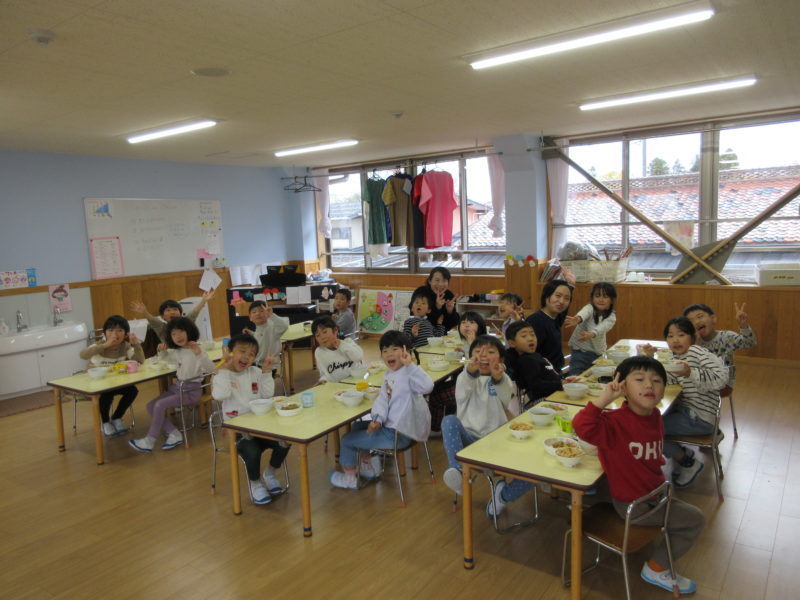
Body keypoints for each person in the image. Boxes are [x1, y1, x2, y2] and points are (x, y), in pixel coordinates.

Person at [572, 357, 705, 596]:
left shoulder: (654, 415)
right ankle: (656, 568)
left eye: (657, 381)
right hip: (635, 505)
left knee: (687, 514)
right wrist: (604, 399)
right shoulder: (614, 422)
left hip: (652, 494)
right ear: (622, 387)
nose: (649, 385)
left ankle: (658, 563)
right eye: (640, 379)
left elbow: (651, 453)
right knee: (695, 519)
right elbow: (581, 426)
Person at [330, 330, 434, 489]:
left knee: (346, 440)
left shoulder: (410, 373)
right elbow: (383, 400)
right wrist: (377, 420)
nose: (389, 354)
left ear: (405, 351)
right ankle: (368, 468)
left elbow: (428, 386)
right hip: (394, 429)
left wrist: (410, 365)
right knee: (357, 427)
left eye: (394, 349)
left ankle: (350, 478)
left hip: (400, 433)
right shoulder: (388, 375)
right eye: (385, 351)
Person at [641, 317, 728, 488]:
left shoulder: (695, 352)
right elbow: (668, 380)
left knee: (647, 430)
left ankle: (687, 462)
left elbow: (721, 378)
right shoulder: (677, 357)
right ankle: (681, 452)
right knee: (648, 423)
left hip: (700, 418)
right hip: (689, 413)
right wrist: (651, 358)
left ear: (692, 337)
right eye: (670, 336)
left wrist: (690, 373)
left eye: (681, 335)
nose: (675, 340)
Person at [212, 333, 288, 505]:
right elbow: (220, 395)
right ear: (230, 352)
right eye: (242, 351)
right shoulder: (222, 374)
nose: (247, 357)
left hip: (260, 426)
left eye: (252, 354)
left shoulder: (255, 372)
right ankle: (255, 482)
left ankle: (270, 473)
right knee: (252, 450)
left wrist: (266, 372)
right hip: (237, 432)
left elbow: (267, 395)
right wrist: (224, 368)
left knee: (285, 440)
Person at [129, 317, 215, 452]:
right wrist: (162, 350)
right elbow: (167, 359)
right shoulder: (177, 351)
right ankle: (174, 433)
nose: (178, 336)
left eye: (181, 331)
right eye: (173, 334)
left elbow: (212, 369)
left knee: (159, 405)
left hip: (191, 391)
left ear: (189, 331)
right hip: (178, 388)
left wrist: (199, 354)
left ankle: (149, 441)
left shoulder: (197, 350)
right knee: (150, 406)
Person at [442, 335, 513, 494]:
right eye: (478, 351)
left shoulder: (503, 379)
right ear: (470, 357)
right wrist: (470, 372)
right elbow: (461, 394)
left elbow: (506, 397)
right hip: (469, 439)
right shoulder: (464, 377)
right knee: (449, 420)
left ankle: (461, 473)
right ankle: (458, 471)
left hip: (495, 441)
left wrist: (498, 378)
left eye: (490, 352)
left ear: (501, 359)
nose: (483, 355)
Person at [79, 315, 144, 437]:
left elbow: (140, 360)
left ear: (126, 334)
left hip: (115, 383)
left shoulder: (125, 346)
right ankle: (105, 422)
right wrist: (105, 345)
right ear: (105, 333)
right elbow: (83, 355)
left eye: (120, 330)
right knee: (106, 394)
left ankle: (117, 417)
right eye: (110, 330)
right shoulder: (99, 345)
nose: (115, 334)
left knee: (132, 391)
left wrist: (136, 345)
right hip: (96, 384)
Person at [683, 302, 756, 395]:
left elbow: (750, 342)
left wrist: (743, 325)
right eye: (690, 321)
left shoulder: (726, 337)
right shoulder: (692, 342)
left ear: (713, 319)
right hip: (699, 380)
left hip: (724, 384)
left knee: (688, 391)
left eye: (700, 317)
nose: (696, 322)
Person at [503, 320, 562, 407]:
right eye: (524, 336)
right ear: (512, 343)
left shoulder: (535, 355)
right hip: (539, 402)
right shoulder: (526, 360)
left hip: (553, 394)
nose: (530, 338)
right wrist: (562, 384)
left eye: (533, 334)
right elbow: (537, 387)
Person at [564, 282, 618, 376]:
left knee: (594, 376)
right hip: (579, 350)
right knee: (575, 375)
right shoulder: (590, 308)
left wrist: (592, 334)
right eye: (597, 296)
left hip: (597, 352)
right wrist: (578, 318)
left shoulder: (611, 317)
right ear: (592, 298)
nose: (601, 299)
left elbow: (601, 328)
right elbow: (584, 313)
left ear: (612, 300)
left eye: (605, 296)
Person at [129, 288, 216, 344]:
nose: (172, 312)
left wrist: (203, 301)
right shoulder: (162, 328)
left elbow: (194, 313)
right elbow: (152, 320)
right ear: (162, 317)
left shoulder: (186, 322)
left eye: (175, 309)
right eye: (168, 310)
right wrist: (144, 312)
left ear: (180, 314)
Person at [525, 279, 573, 375]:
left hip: (555, 373)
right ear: (547, 296)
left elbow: (564, 312)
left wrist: (572, 285)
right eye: (558, 296)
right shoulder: (536, 320)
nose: (562, 301)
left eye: (567, 298)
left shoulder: (555, 317)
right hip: (542, 376)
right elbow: (528, 354)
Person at [312, 315, 364, 382]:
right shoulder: (319, 352)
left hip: (356, 382)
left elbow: (358, 357)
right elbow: (325, 373)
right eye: (318, 335)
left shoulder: (348, 342)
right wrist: (323, 380)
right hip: (337, 386)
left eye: (324, 332)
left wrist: (342, 345)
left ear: (335, 330)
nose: (322, 337)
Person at [243, 300, 289, 374]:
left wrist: (272, 315)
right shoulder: (259, 327)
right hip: (257, 363)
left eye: (261, 311)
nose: (258, 313)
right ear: (250, 318)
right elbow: (261, 338)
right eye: (254, 312)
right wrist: (252, 334)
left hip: (268, 365)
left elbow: (284, 326)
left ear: (267, 314)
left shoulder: (272, 326)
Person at [424, 266, 459, 331]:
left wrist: (450, 311)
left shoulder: (449, 295)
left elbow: (453, 324)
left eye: (444, 280)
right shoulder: (422, 294)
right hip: (425, 333)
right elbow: (421, 321)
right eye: (437, 280)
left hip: (444, 334)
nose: (440, 284)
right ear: (430, 281)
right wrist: (437, 307)